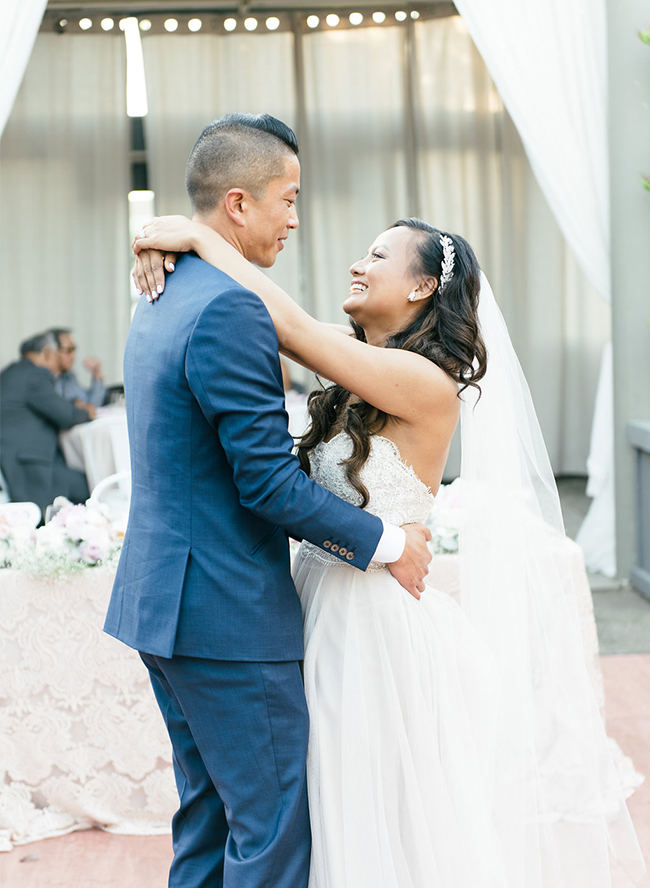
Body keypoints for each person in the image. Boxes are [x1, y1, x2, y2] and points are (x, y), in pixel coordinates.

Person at [134, 209, 645, 887]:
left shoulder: (425, 383)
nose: (358, 264)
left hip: (370, 624)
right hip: (316, 601)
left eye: (378, 256)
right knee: (307, 799)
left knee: (364, 804)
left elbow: (293, 330)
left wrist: (198, 238)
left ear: (421, 289)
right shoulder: (360, 380)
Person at [104, 113, 432, 888]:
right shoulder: (226, 307)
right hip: (226, 617)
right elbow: (265, 482)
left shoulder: (163, 291)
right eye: (287, 198)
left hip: (169, 601)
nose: (295, 217)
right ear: (239, 204)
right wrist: (388, 541)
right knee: (273, 831)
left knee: (210, 819)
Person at [0, 332, 93, 515]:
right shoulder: (36, 373)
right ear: (47, 353)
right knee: (91, 486)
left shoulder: (10, 372)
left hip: (11, 460)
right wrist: (87, 411)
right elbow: (66, 415)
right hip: (31, 465)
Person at [49, 327, 106, 407]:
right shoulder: (42, 378)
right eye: (68, 350)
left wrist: (97, 373)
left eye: (74, 350)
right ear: (52, 351)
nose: (73, 356)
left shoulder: (69, 376)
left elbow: (92, 405)